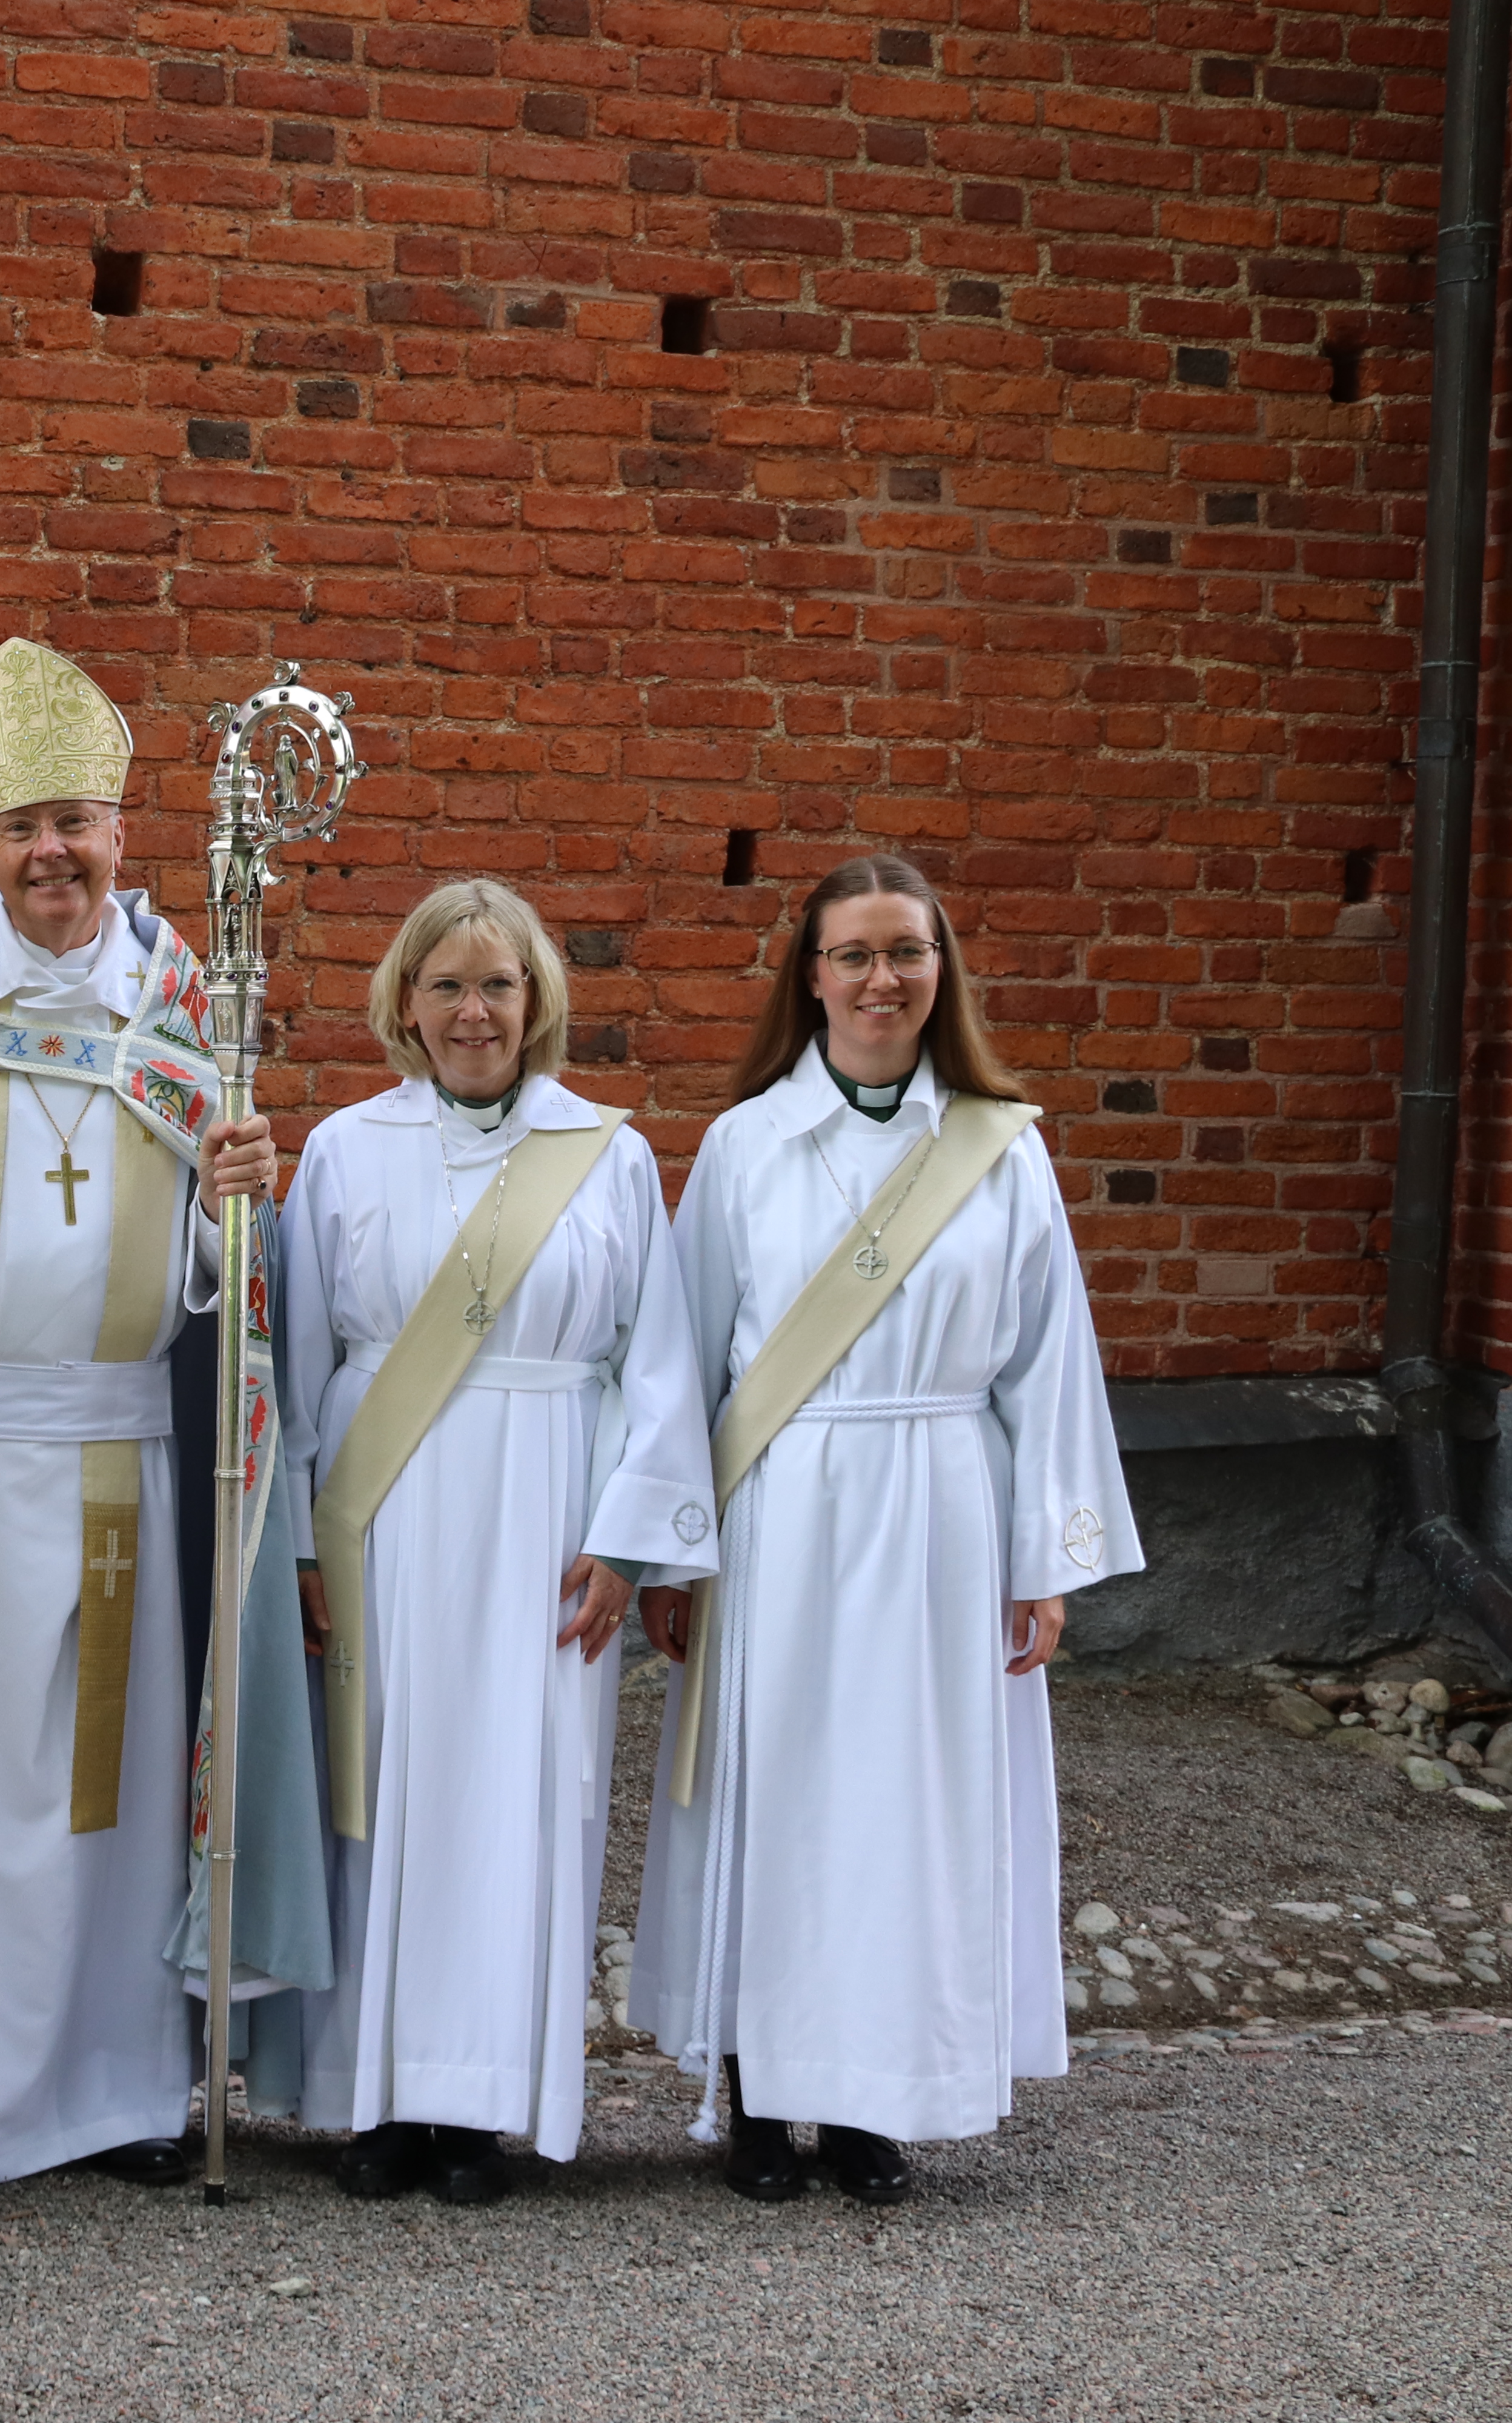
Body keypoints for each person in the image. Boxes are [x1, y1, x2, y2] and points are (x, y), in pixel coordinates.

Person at [0, 635, 319, 2189]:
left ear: (123, 828)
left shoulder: (190, 1000)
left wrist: (231, 1209)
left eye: (77, 823)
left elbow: (227, 1291)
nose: (52, 853)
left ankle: (113, 2098)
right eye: (21, 827)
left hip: (124, 1447)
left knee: (111, 1780)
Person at [633, 854, 1141, 2204]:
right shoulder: (747, 1146)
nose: (880, 979)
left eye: (905, 952)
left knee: (908, 1809)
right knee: (780, 1795)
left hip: (941, 1510)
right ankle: (758, 2090)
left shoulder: (998, 1144)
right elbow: (682, 1363)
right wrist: (674, 1549)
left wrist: (1048, 1558)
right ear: (809, 977)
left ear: (940, 970)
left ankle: (875, 2100)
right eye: (853, 954)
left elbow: (1048, 1364)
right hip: (784, 1509)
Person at [260, 877, 717, 2204]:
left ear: (539, 1003)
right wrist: (295, 1538)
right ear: (406, 1000)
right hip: (382, 1508)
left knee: (523, 1794)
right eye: (448, 983)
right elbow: (296, 1364)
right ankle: (375, 2098)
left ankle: (485, 2108)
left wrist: (630, 1545)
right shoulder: (346, 1147)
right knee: (383, 1787)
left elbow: (661, 1369)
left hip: (544, 1510)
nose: (473, 1011)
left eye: (499, 985)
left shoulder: (609, 1154)